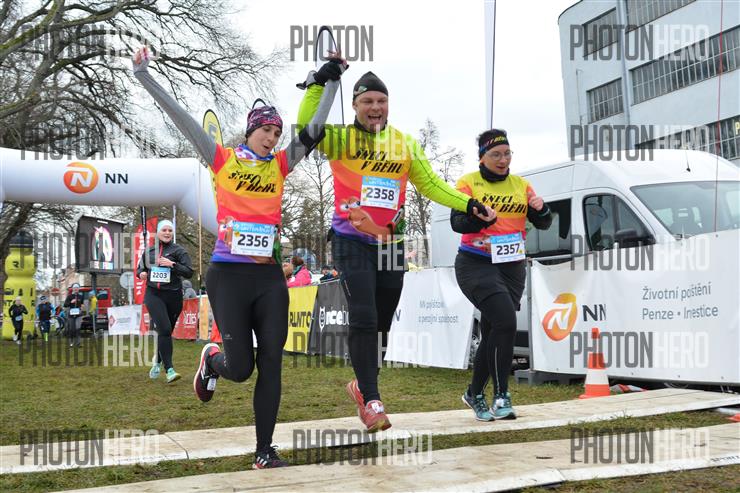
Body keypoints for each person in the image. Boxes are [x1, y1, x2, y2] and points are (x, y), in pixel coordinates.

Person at [132, 46, 347, 468]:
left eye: (277, 132)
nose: (272, 138)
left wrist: (333, 79)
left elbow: (315, 130)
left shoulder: (280, 165)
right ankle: (213, 361)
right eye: (265, 130)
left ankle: (264, 450)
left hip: (269, 278)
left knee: (272, 362)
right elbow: (181, 118)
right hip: (228, 277)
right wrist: (144, 75)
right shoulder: (222, 160)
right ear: (250, 130)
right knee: (242, 368)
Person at [297, 70, 495, 432]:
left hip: (391, 243)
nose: (375, 107)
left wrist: (468, 204)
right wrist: (318, 85)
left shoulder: (404, 144)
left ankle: (361, 386)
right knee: (364, 314)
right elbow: (306, 129)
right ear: (354, 105)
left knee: (383, 323)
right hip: (351, 240)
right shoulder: (340, 139)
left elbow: (431, 185)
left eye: (381, 101)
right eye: (367, 101)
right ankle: (373, 401)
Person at [451, 129, 552, 421]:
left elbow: (544, 223)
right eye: (496, 154)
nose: (503, 160)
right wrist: (479, 218)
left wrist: (542, 210)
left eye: (507, 154)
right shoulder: (468, 183)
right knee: (506, 322)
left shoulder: (521, 184)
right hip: (476, 264)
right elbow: (457, 223)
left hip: (511, 266)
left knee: (494, 331)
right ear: (482, 157)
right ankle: (501, 396)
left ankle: (474, 394)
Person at [137, 219, 195, 383]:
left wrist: (172, 264)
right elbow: (140, 268)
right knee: (164, 328)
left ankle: (157, 361)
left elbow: (189, 272)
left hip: (173, 296)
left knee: (166, 332)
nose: (167, 233)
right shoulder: (149, 251)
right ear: (158, 232)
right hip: (154, 294)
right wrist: (141, 274)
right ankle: (169, 370)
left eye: (170, 230)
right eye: (164, 230)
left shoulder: (179, 251)